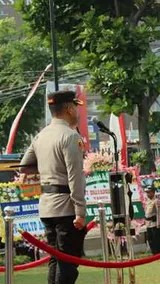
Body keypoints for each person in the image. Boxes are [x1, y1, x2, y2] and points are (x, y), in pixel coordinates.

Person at [20, 91, 87, 284]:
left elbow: (24, 166)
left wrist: (47, 168)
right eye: (75, 106)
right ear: (68, 108)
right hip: (66, 207)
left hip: (47, 205)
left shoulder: (40, 136)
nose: (77, 111)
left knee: (55, 259)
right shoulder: (70, 136)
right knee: (68, 263)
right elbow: (75, 177)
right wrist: (80, 212)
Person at [144, 186, 160, 255]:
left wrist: (158, 224)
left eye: (149, 192)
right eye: (147, 193)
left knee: (156, 239)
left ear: (153, 193)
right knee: (150, 239)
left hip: (154, 223)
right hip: (148, 223)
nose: (148, 194)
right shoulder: (148, 201)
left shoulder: (156, 201)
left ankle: (157, 252)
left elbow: (159, 213)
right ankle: (153, 252)